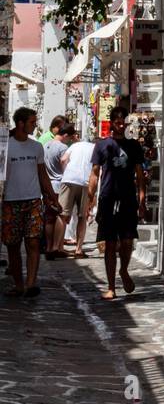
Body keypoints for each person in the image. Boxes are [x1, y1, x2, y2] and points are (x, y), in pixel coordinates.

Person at [86, 107, 146, 301]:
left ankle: (124, 270)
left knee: (127, 241)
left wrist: (142, 200)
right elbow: (95, 173)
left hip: (128, 198)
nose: (121, 126)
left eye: (124, 123)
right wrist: (90, 198)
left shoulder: (134, 146)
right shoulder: (102, 145)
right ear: (112, 123)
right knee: (110, 243)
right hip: (108, 198)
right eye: (118, 122)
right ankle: (111, 286)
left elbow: (139, 175)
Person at [1, 107, 61, 298]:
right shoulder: (6, 146)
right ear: (20, 123)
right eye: (32, 122)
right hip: (11, 201)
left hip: (34, 200)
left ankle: (30, 284)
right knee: (13, 245)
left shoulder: (36, 147)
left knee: (33, 243)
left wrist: (52, 197)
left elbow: (42, 174)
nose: (35, 126)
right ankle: (19, 285)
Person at [58, 135, 94, 259]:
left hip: (68, 179)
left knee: (63, 215)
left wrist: (65, 173)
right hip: (85, 182)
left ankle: (58, 247)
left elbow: (63, 160)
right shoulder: (94, 148)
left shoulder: (73, 146)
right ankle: (78, 250)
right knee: (82, 216)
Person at [43, 121, 74, 258]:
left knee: (49, 218)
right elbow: (66, 167)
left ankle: (49, 247)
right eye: (69, 138)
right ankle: (58, 247)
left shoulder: (45, 145)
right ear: (65, 135)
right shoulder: (63, 148)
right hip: (59, 185)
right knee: (61, 217)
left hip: (47, 184)